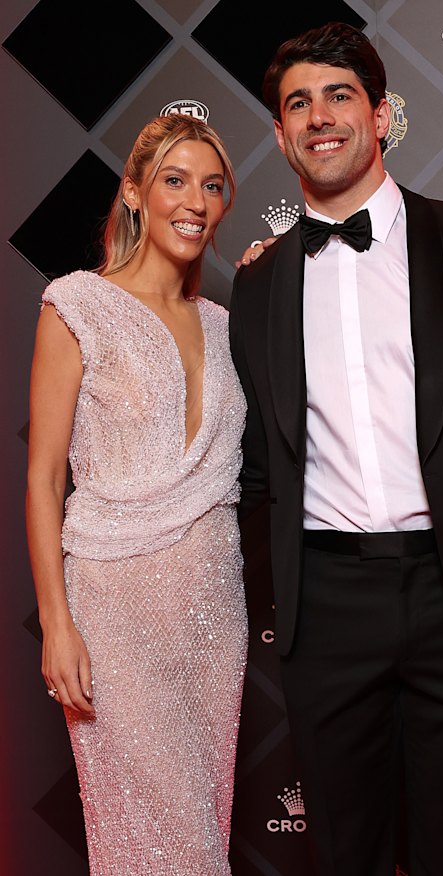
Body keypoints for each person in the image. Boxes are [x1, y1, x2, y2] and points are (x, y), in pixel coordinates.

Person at [229, 21, 443, 876]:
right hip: (326, 607)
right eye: (297, 104)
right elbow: (260, 469)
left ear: (382, 116)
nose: (319, 117)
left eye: (339, 95)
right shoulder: (261, 283)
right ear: (279, 133)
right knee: (344, 856)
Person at [26, 113, 248, 875]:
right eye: (175, 181)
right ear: (134, 195)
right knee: (161, 838)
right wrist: (57, 624)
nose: (195, 201)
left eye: (212, 186)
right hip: (115, 609)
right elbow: (44, 477)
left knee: (202, 822)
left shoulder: (224, 326)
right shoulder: (77, 305)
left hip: (215, 613)